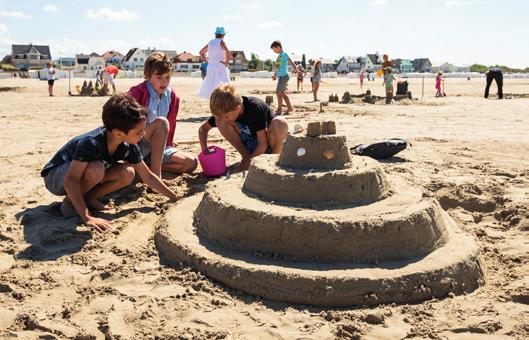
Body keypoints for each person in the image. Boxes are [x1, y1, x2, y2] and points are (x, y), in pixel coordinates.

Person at [40, 94, 179, 233]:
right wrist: (87, 217)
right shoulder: (90, 143)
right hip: (56, 177)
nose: (143, 134)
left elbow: (147, 176)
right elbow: (71, 180)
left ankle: (89, 198)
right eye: (139, 131)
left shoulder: (129, 146)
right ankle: (70, 203)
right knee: (97, 168)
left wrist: (174, 197)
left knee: (128, 172)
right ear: (118, 133)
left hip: (80, 175)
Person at [128, 52, 197, 177]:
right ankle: (155, 175)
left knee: (190, 163)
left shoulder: (172, 96)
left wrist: (169, 142)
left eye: (167, 77)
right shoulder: (137, 93)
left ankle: (146, 167)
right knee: (161, 122)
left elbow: (171, 124)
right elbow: (124, 123)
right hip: (137, 143)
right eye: (159, 77)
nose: (164, 82)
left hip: (158, 147)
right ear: (148, 76)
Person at [198, 84, 288, 171]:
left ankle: (273, 160)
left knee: (280, 123)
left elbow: (263, 144)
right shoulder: (225, 110)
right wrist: (204, 151)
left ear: (237, 108)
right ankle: (246, 156)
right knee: (219, 121)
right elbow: (203, 129)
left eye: (227, 117)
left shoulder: (256, 107)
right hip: (250, 145)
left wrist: (249, 163)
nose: (225, 119)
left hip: (268, 145)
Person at [198, 27, 231, 99]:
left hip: (211, 66)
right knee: (223, 85)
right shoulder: (221, 42)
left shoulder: (210, 42)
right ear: (223, 35)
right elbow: (228, 53)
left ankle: (213, 99)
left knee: (211, 84)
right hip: (220, 65)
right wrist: (226, 62)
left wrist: (207, 61)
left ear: (216, 34)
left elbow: (201, 52)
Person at [270, 40, 298, 115]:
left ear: (278, 47)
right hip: (281, 77)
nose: (274, 51)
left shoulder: (284, 54)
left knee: (278, 92)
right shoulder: (279, 57)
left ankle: (279, 109)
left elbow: (291, 62)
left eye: (274, 50)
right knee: (281, 93)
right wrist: (275, 76)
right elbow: (277, 68)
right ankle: (289, 107)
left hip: (285, 76)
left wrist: (296, 69)